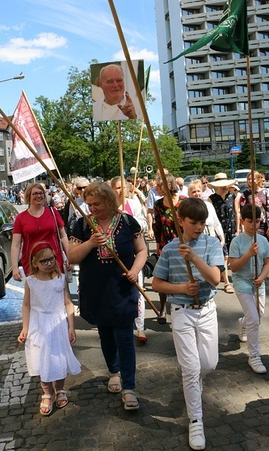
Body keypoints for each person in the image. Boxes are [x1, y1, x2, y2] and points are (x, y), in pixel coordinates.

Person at [152, 198, 224, 451]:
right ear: (179, 221)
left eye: (202, 222)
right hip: (181, 312)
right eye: (193, 222)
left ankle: (192, 383)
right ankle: (196, 421)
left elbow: (216, 279)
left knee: (209, 364)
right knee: (191, 369)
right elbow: (156, 284)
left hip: (206, 310)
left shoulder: (211, 243)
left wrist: (194, 257)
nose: (198, 227)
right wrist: (181, 288)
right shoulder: (171, 249)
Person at [68, 182, 147, 410]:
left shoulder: (127, 222)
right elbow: (72, 256)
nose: (92, 208)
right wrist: (91, 243)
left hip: (122, 289)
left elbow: (141, 251)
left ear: (109, 201)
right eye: (89, 204)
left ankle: (129, 387)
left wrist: (134, 270)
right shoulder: (82, 225)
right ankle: (114, 371)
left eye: (97, 204)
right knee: (106, 336)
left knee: (124, 338)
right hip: (96, 290)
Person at [18, 242, 81, 416]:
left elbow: (68, 303)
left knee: (58, 358)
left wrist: (71, 327)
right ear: (35, 262)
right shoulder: (30, 282)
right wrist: (25, 328)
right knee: (41, 359)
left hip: (57, 324)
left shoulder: (60, 279)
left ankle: (60, 388)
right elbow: (26, 305)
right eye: (44, 261)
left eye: (52, 258)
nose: (49, 263)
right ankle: (47, 392)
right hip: (38, 325)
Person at [229, 204, 269, 374]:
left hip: (258, 285)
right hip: (243, 285)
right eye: (250, 221)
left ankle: (243, 323)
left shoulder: (263, 240)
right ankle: (254, 356)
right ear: (242, 221)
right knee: (254, 319)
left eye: (257, 221)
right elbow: (233, 267)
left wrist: (261, 277)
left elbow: (267, 263)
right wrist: (248, 254)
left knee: (257, 316)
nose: (254, 225)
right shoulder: (237, 241)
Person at [111, 176, 148, 343]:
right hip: (115, 258)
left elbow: (144, 224)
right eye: (117, 188)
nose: (121, 191)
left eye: (123, 187)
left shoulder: (133, 204)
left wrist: (130, 220)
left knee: (138, 292)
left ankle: (140, 328)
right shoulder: (109, 207)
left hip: (133, 255)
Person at [11, 183, 72, 280]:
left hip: (54, 261)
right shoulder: (21, 218)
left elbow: (63, 236)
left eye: (41, 193)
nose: (38, 196)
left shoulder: (53, 212)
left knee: (59, 291)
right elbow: (16, 244)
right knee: (37, 293)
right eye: (35, 194)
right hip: (32, 264)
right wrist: (14, 267)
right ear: (28, 196)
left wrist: (70, 257)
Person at [153, 174, 184, 323]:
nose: (157, 188)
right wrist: (159, 247)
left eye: (160, 185)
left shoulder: (184, 202)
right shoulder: (158, 205)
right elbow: (157, 226)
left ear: (169, 186)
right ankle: (163, 308)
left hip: (182, 245)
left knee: (180, 277)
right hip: (165, 246)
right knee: (162, 278)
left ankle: (181, 307)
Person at [207, 173, 237, 294]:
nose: (223, 187)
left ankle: (221, 275)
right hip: (218, 231)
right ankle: (226, 283)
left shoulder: (233, 196)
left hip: (232, 229)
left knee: (231, 256)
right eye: (220, 186)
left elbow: (237, 212)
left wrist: (239, 229)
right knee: (223, 256)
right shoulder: (211, 199)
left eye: (225, 185)